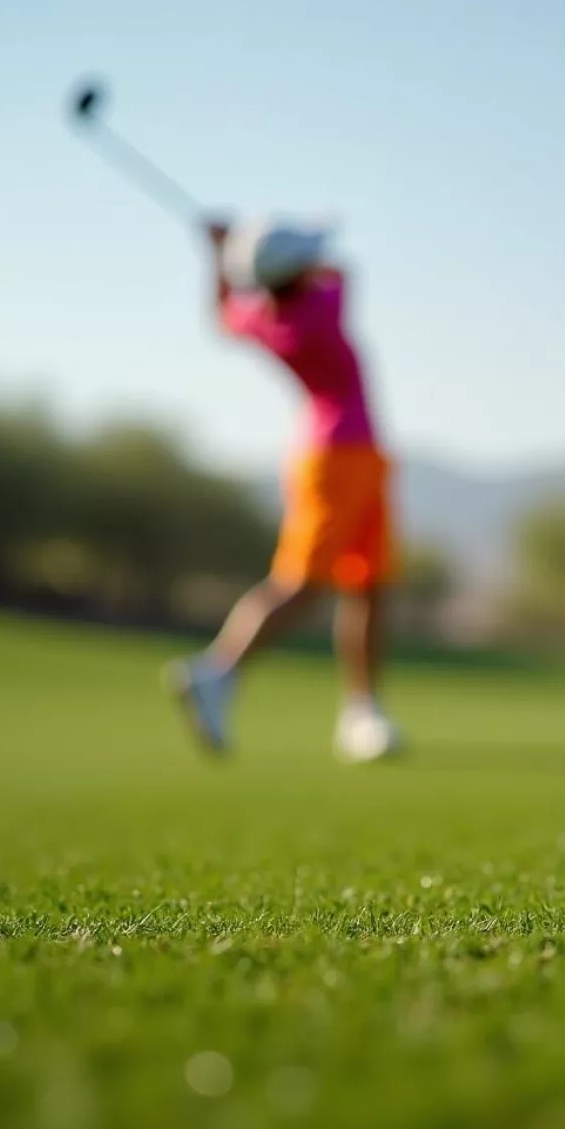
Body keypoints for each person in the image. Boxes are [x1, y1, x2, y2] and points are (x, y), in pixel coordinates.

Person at [164, 218, 403, 763]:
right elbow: (341, 268)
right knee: (303, 583)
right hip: (339, 459)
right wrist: (242, 249)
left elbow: (223, 315)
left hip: (344, 457)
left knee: (368, 586)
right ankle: (218, 672)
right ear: (295, 274)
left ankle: (362, 713)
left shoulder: (266, 319)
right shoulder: (318, 310)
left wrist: (221, 258)